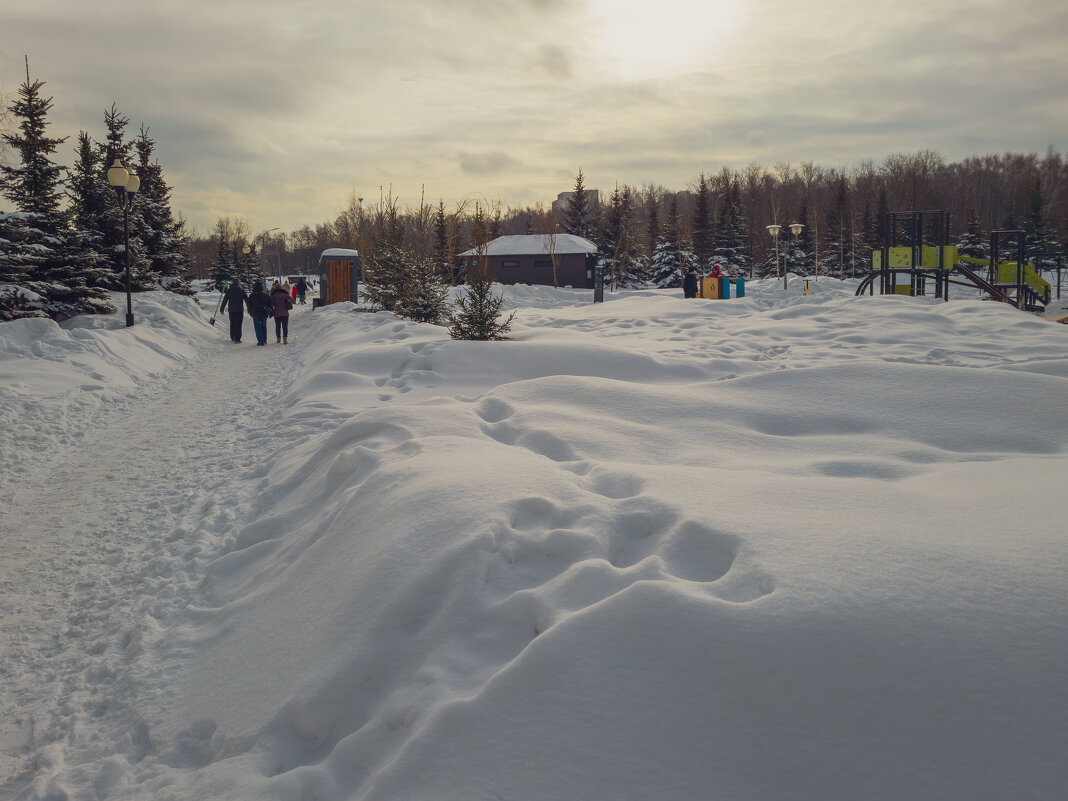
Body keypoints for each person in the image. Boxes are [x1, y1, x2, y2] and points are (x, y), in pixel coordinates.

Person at [246, 280, 273, 345]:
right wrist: (271, 312)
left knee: (257, 327)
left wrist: (250, 312)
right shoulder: (266, 295)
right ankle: (264, 340)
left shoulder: (252, 295)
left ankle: (260, 341)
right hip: (264, 313)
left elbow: (249, 304)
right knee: (264, 326)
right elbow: (270, 303)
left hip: (255, 313)